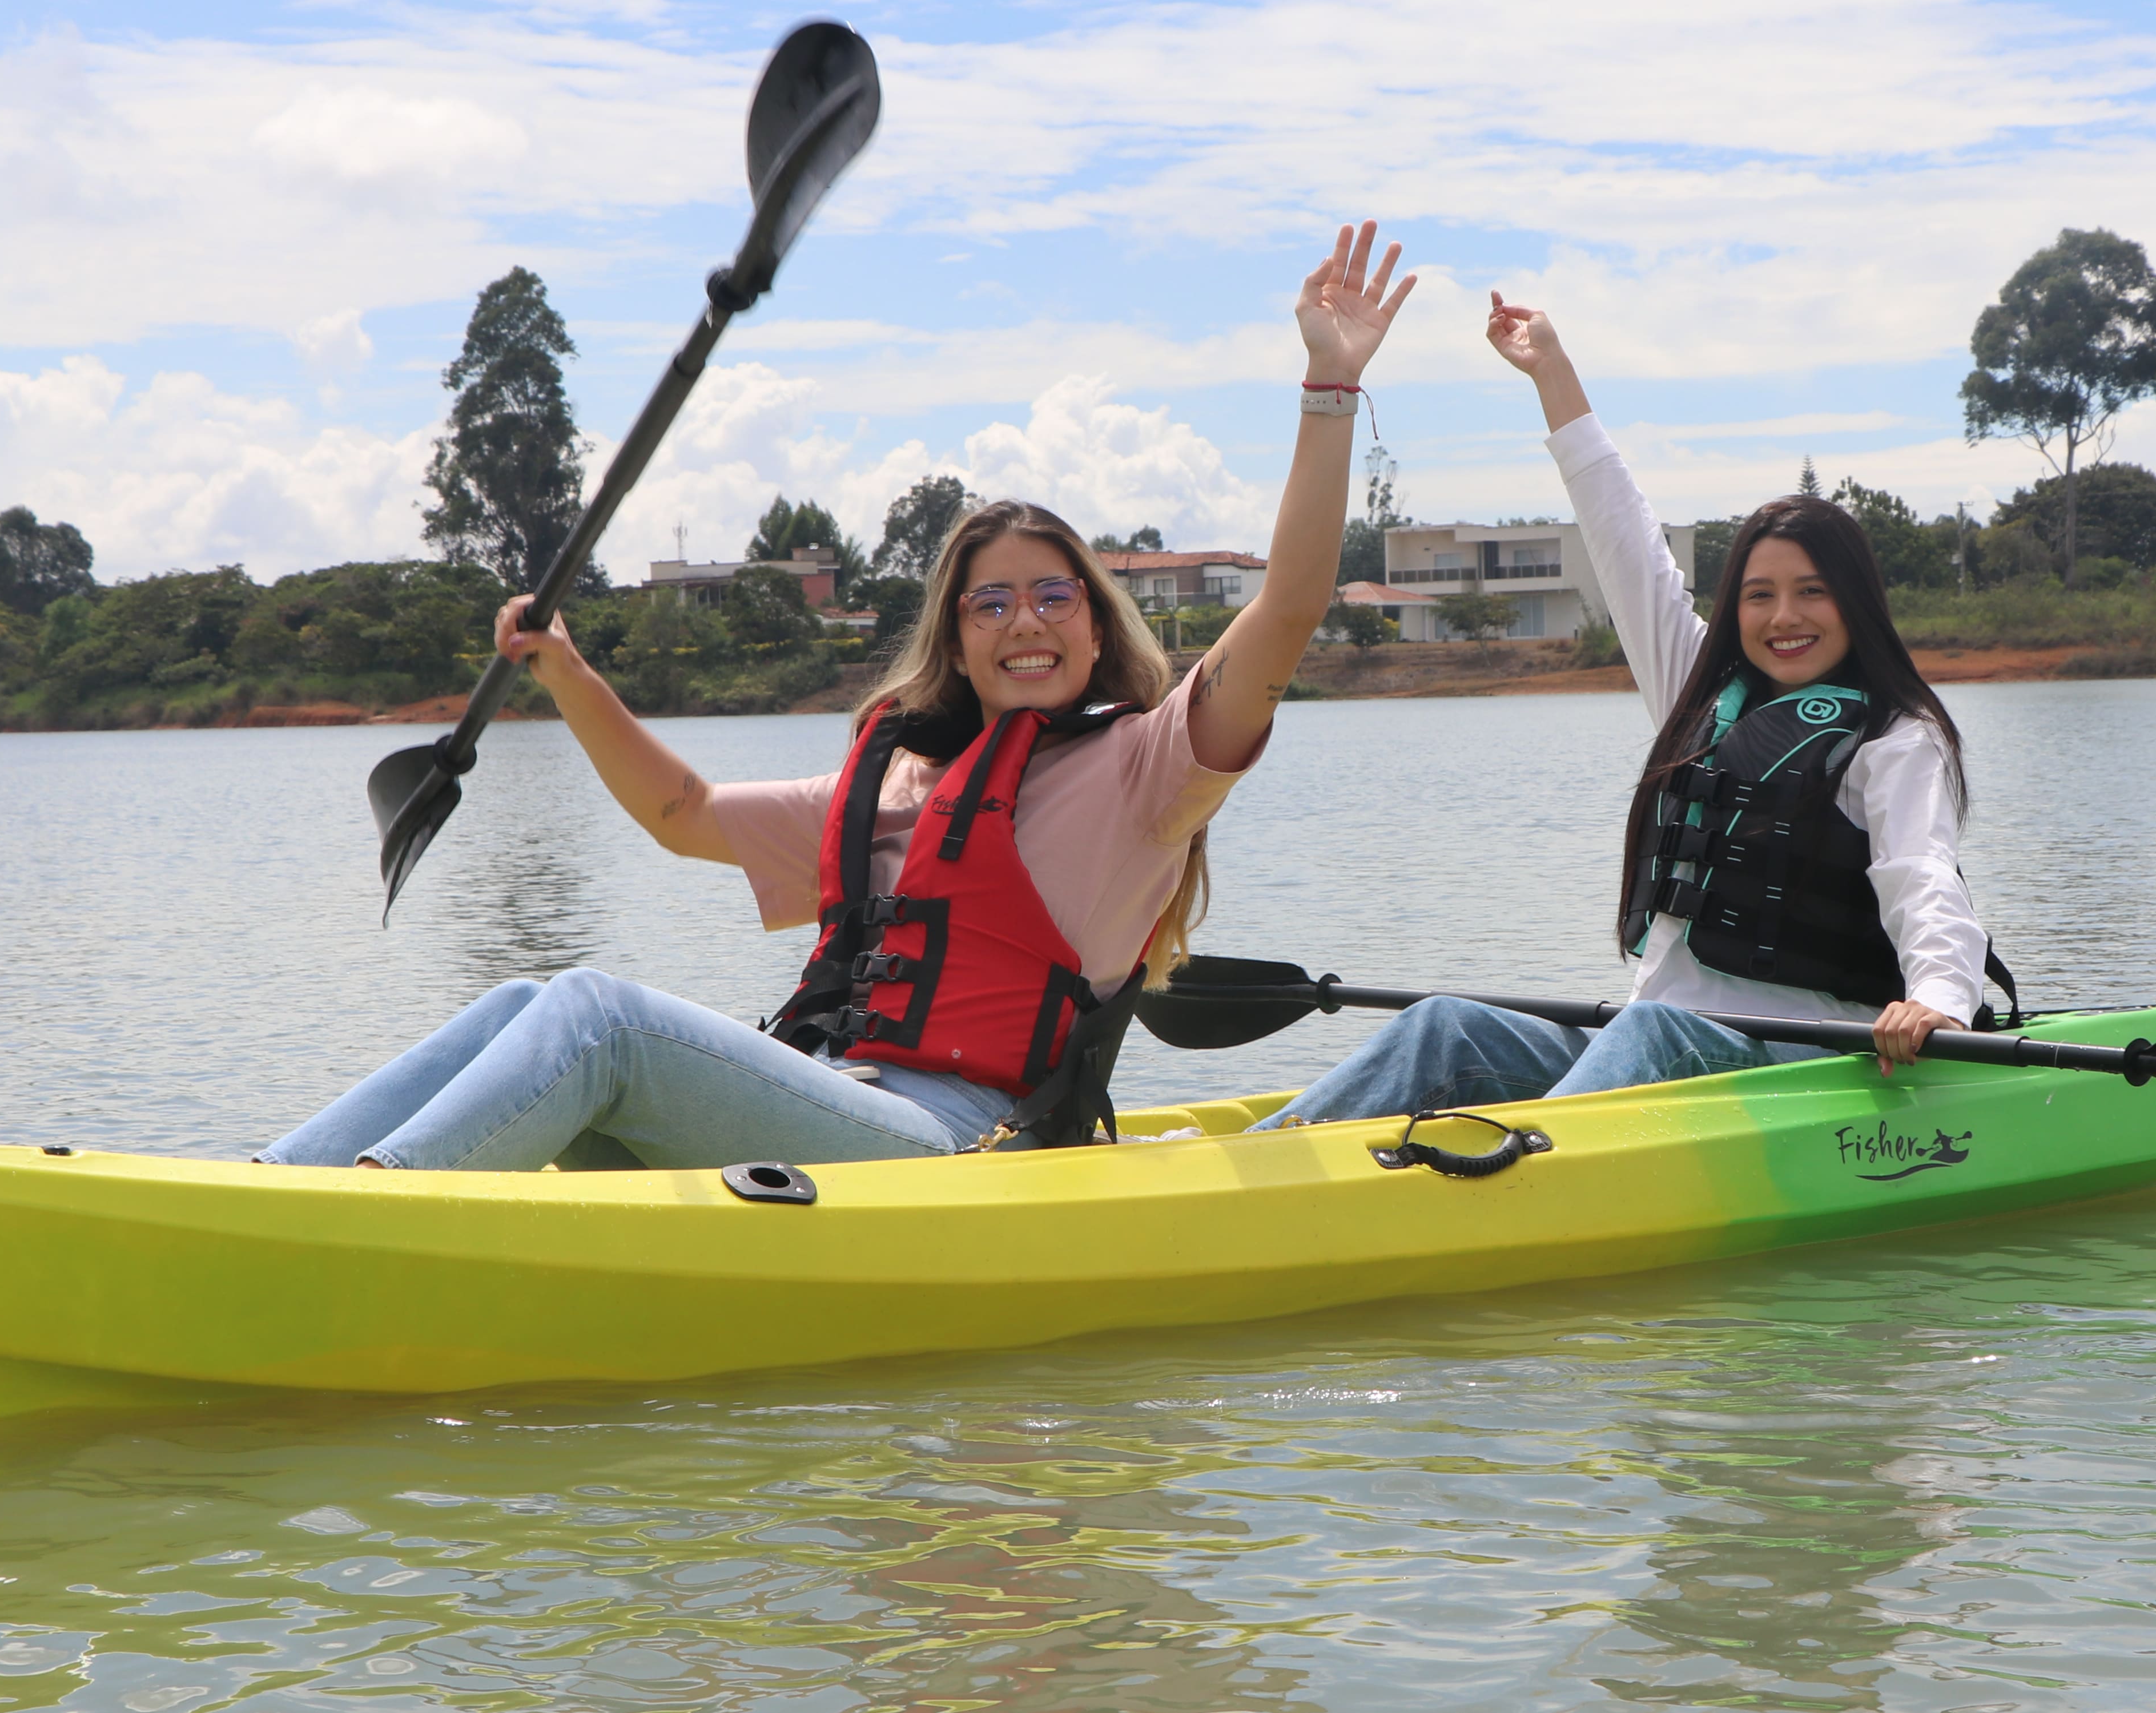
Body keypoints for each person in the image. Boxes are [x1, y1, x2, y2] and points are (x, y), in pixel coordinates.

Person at [258, 221, 1419, 1172]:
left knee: (598, 1012)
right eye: (991, 603)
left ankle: (359, 1213)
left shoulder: (1147, 771)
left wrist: (1328, 385)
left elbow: (1289, 608)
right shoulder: (904, 781)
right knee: (526, 995)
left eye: (1053, 596)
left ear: (1093, 618)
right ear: (957, 642)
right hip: (835, 1099)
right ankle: (275, 1187)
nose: (1024, 620)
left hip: (963, 1141)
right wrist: (566, 669)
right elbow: (685, 814)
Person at [1255, 291, 1997, 1128]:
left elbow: (1923, 879)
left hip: (1810, 1066)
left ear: (1855, 603)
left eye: (1811, 594)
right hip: (1660, 1041)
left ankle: (1508, 1173)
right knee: (1444, 1028)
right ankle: (1261, 1164)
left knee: (1655, 1032)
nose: (1783, 617)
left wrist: (1936, 997)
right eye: (1759, 596)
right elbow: (1623, 539)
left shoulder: (1897, 739)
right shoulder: (1697, 690)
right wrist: (1552, 373)